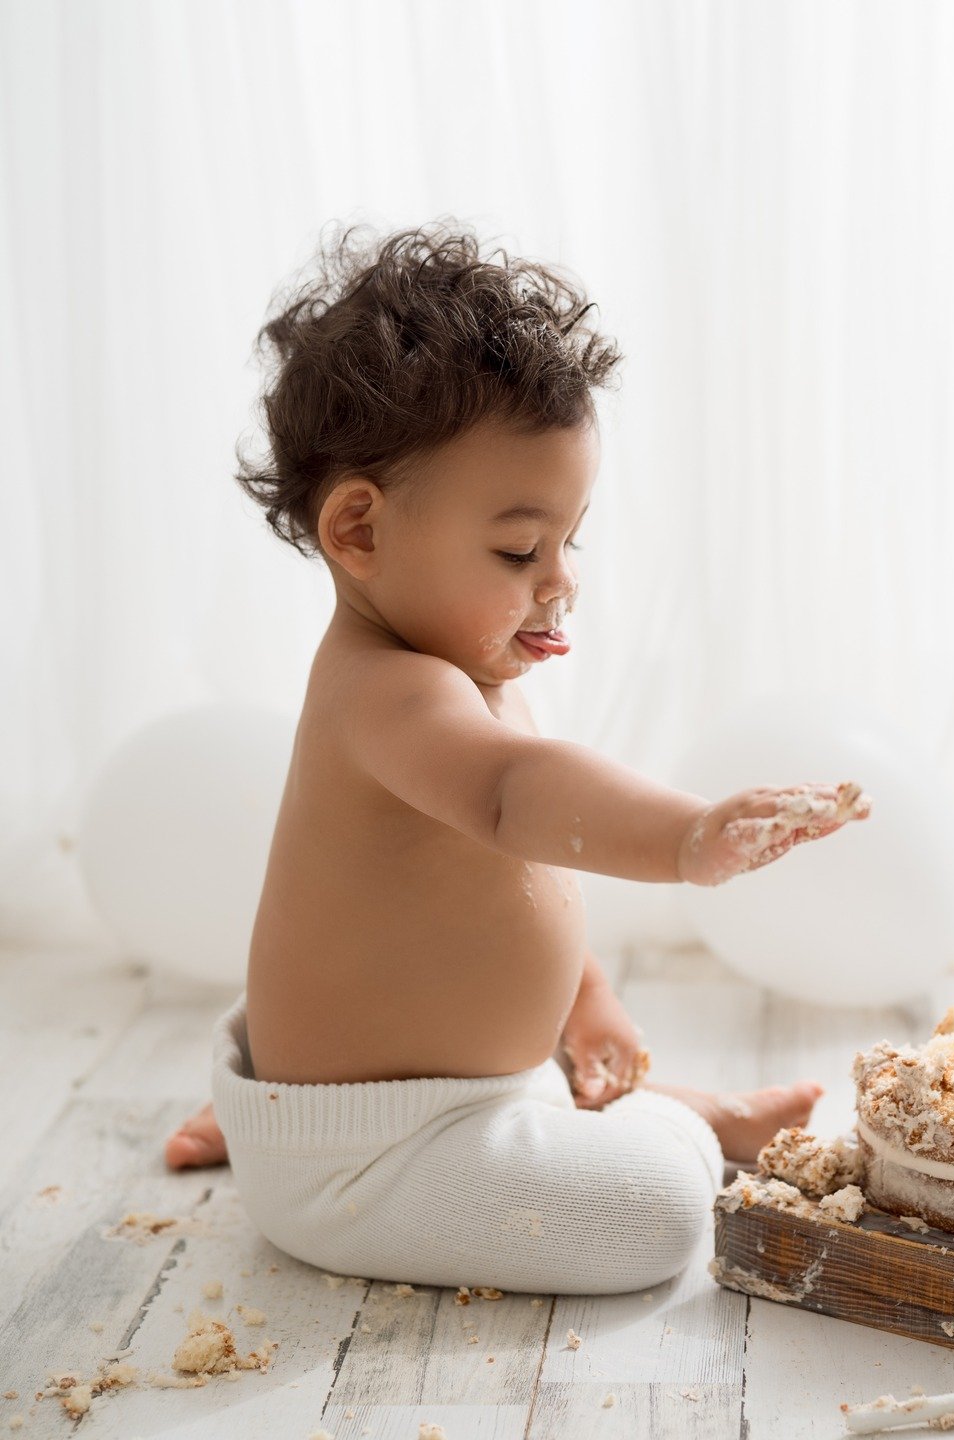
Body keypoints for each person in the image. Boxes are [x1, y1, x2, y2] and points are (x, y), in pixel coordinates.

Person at [163, 221, 870, 1292]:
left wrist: (580, 995)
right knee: (657, 1217)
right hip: (372, 1153)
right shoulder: (387, 691)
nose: (562, 579)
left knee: (559, 1127)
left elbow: (500, 875)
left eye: (570, 539)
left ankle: (663, 1114)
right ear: (357, 529)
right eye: (517, 549)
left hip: (461, 1094)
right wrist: (685, 835)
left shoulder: (459, 675)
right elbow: (511, 801)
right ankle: (673, 1135)